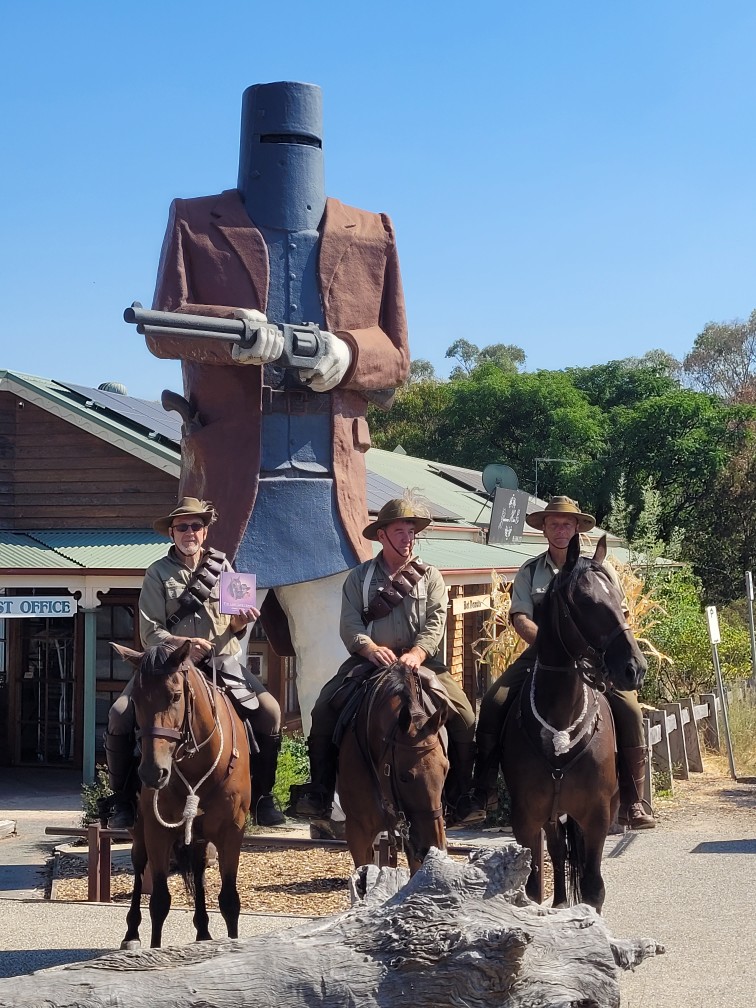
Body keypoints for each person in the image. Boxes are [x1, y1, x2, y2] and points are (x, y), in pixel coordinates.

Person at [144, 81, 409, 735]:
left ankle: (333, 783)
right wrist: (237, 333)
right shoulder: (195, 220)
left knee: (333, 667)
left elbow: (396, 356)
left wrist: (344, 354)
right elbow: (164, 326)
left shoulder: (370, 231)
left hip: (330, 512)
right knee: (221, 659)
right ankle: (231, 783)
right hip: (240, 522)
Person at [455, 496, 656, 830]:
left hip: (594, 655)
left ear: (577, 528)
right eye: (554, 524)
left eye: (566, 524)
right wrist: (548, 645)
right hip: (543, 653)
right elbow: (520, 617)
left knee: (630, 709)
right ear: (544, 529)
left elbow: (620, 615)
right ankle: (484, 790)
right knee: (493, 701)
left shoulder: (600, 570)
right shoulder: (530, 571)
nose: (561, 530)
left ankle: (634, 799)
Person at [293, 496, 485, 828]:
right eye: (400, 531)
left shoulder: (430, 576)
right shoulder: (360, 577)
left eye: (411, 532)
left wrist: (418, 652)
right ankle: (320, 794)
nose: (407, 538)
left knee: (466, 715)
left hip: (422, 662)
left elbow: (436, 622)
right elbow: (349, 623)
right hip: (370, 662)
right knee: (323, 709)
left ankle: (461, 797)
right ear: (382, 535)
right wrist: (368, 648)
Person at [104, 497, 286, 829]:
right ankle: (122, 800)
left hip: (221, 662)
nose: (190, 532)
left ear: (205, 532)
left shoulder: (224, 567)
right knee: (119, 713)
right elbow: (150, 632)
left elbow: (233, 625)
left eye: (196, 526)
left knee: (271, 711)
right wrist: (185, 644)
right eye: (182, 527)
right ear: (172, 533)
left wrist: (243, 621)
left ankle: (262, 797)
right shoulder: (158, 573)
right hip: (170, 665)